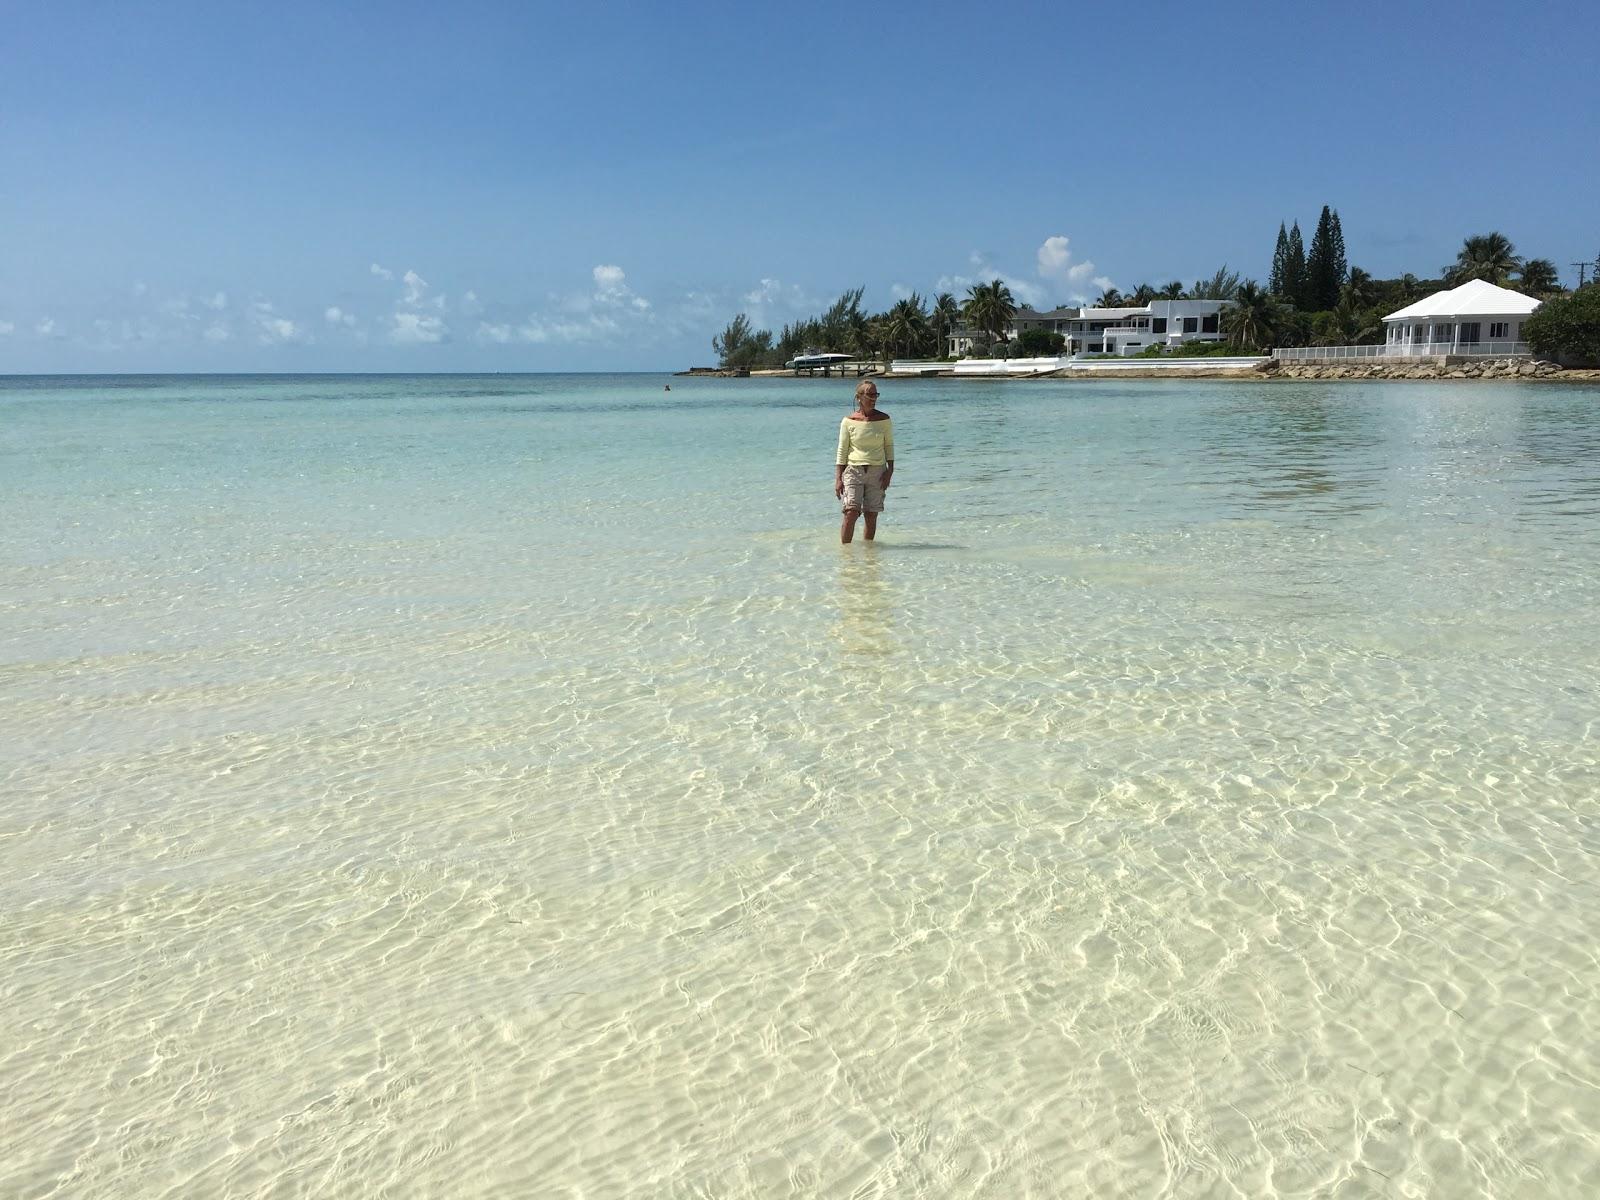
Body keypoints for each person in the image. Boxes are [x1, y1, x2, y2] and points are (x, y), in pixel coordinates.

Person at [834, 380, 893, 543]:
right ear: (859, 397)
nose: (874, 398)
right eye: (870, 394)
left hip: (877, 471)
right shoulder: (848, 421)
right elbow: (842, 451)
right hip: (853, 471)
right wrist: (838, 478)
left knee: (871, 515)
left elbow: (889, 446)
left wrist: (890, 471)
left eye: (876, 394)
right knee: (851, 512)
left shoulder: (884, 419)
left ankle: (869, 558)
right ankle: (846, 558)